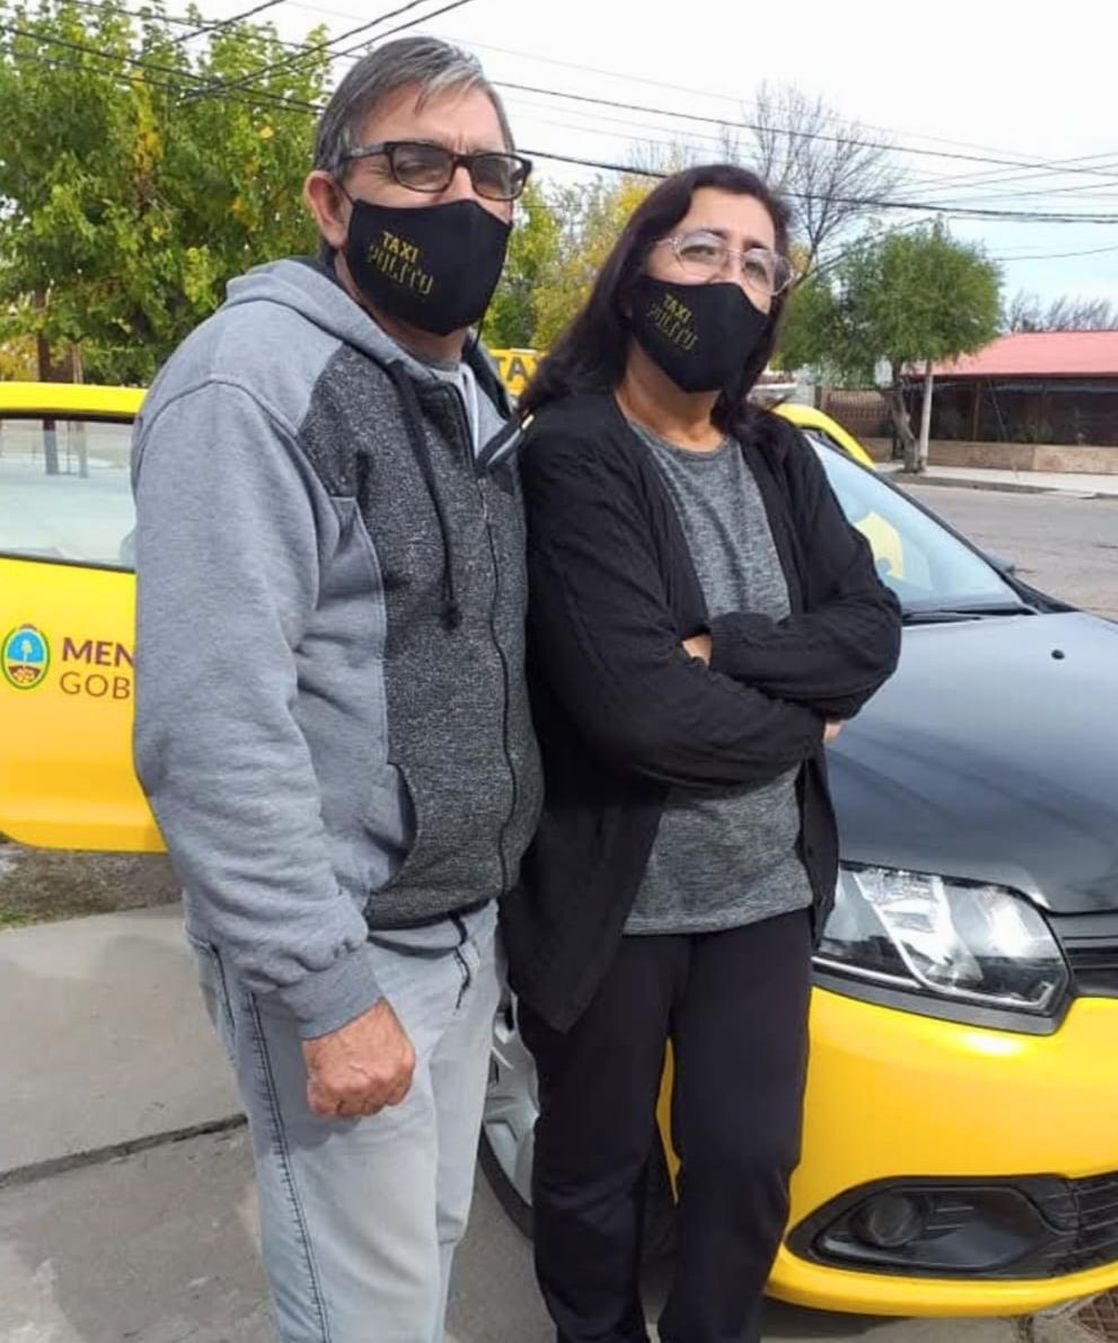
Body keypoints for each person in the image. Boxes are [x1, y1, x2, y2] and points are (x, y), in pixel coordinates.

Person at [131, 37, 541, 1343]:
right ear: (329, 199)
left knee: (413, 1263)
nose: (459, 197)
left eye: (490, 171)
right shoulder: (247, 384)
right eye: (414, 162)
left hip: (462, 932)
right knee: (362, 1314)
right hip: (353, 950)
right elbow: (211, 731)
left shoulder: (466, 385)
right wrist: (327, 989)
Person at [502, 164, 902, 1343]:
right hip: (611, 907)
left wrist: (721, 642)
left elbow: (870, 630)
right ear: (636, 277)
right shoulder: (573, 453)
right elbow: (638, 712)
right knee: (594, 1173)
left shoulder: (779, 456)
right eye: (702, 252)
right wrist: (804, 720)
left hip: (760, 898)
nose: (731, 280)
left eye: (759, 264)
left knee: (745, 1163)